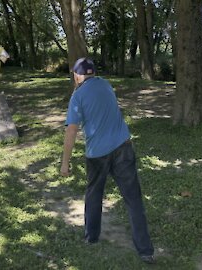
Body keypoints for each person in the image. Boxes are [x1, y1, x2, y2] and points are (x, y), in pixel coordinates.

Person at [60, 58, 155, 264]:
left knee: (94, 195)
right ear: (93, 73)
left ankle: (91, 237)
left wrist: (65, 163)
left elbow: (71, 130)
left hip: (98, 154)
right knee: (133, 199)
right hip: (123, 146)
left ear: (77, 76)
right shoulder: (105, 84)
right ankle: (145, 250)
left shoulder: (77, 96)